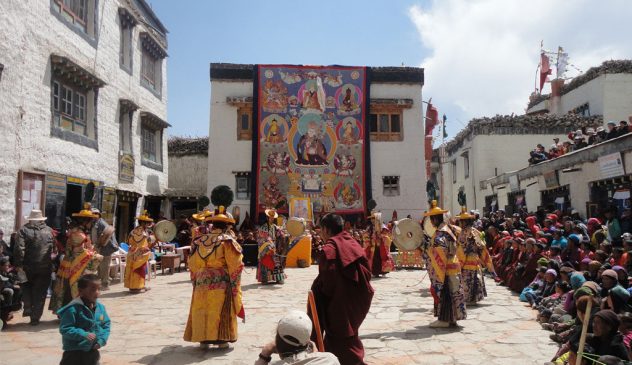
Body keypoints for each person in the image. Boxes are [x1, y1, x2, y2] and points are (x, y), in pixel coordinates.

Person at [310, 213, 373, 365]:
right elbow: (367, 271)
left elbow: (329, 285)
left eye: (321, 230)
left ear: (325, 229)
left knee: (341, 340)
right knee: (346, 336)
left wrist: (320, 293)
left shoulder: (329, 250)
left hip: (339, 305)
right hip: (356, 301)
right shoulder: (353, 243)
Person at [184, 206, 244, 349]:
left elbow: (192, 263)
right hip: (221, 282)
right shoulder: (227, 241)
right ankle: (220, 339)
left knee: (201, 308)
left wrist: (200, 274)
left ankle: (202, 339)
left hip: (201, 281)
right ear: (225, 226)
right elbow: (235, 264)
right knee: (218, 310)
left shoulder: (199, 240)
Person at [49, 205, 103, 314]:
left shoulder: (79, 232)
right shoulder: (78, 234)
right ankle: (70, 312)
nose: (91, 224)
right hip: (74, 265)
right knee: (72, 288)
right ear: (85, 221)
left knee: (71, 287)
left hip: (72, 264)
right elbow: (79, 252)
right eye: (90, 221)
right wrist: (94, 255)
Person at [423, 201, 466, 328]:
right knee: (453, 291)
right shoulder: (449, 229)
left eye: (431, 219)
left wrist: (427, 253)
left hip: (445, 267)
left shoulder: (440, 234)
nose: (430, 222)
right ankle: (452, 318)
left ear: (435, 219)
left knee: (445, 290)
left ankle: (444, 319)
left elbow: (440, 250)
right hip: (453, 263)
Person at [13, 209, 54, 325]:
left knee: (27, 287)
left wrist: (18, 265)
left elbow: (19, 249)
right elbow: (53, 250)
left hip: (28, 267)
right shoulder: (49, 231)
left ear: (30, 219)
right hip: (45, 267)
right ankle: (35, 317)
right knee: (40, 293)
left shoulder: (23, 231)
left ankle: (28, 308)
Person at [58, 274, 110, 365]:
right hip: (73, 352)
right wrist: (83, 334)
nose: (97, 292)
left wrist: (102, 340)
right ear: (81, 291)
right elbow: (65, 329)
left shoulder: (100, 308)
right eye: (93, 290)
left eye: (99, 289)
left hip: (92, 350)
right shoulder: (72, 309)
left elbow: (106, 324)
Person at [255, 310, 340, 365]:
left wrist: (265, 354)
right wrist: (316, 355)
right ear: (308, 343)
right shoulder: (330, 359)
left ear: (278, 344)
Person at [456, 207, 495, 305]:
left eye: (460, 221)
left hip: (466, 261)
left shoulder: (462, 233)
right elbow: (482, 247)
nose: (459, 223)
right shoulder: (475, 231)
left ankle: (468, 299)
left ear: (464, 222)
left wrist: (459, 263)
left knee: (467, 280)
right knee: (475, 278)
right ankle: (474, 299)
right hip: (476, 260)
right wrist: (487, 262)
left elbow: (461, 249)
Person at [124, 210, 154, 293]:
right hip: (138, 254)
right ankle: (136, 287)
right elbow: (140, 244)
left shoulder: (136, 230)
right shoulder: (140, 231)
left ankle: (138, 286)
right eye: (147, 223)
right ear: (143, 223)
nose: (148, 225)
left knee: (137, 270)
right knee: (137, 270)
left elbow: (129, 241)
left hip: (133, 252)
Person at [90, 209, 118, 290]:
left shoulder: (102, 223)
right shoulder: (94, 223)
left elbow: (108, 236)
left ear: (99, 215)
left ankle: (105, 284)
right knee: (99, 267)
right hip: (98, 248)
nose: (94, 215)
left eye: (96, 214)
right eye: (93, 214)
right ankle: (100, 284)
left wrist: (101, 246)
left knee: (104, 267)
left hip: (105, 249)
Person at [257, 209, 285, 284]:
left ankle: (278, 278)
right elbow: (262, 238)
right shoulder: (263, 227)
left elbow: (280, 234)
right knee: (265, 262)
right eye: (270, 217)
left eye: (273, 218)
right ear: (267, 218)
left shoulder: (275, 226)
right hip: (265, 247)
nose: (272, 219)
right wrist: (269, 245)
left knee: (276, 262)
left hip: (273, 246)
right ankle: (265, 279)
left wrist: (283, 234)